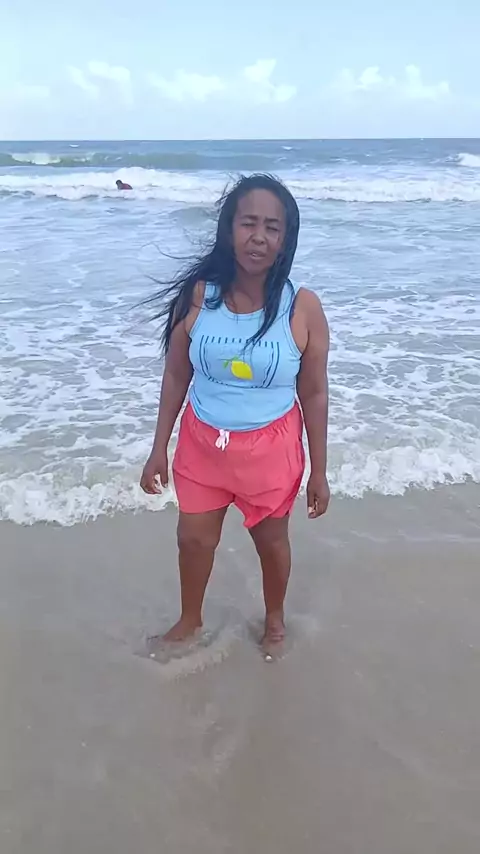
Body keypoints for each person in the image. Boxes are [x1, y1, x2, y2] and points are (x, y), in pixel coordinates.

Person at [140, 173, 329, 654]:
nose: (258, 237)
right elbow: (176, 375)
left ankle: (274, 618)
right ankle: (189, 620)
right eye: (248, 223)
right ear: (230, 229)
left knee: (272, 542)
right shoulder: (198, 297)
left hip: (271, 448)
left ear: (285, 238)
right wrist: (158, 447)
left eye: (272, 227)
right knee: (192, 540)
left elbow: (313, 393)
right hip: (202, 442)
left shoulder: (302, 308)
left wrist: (320, 471)